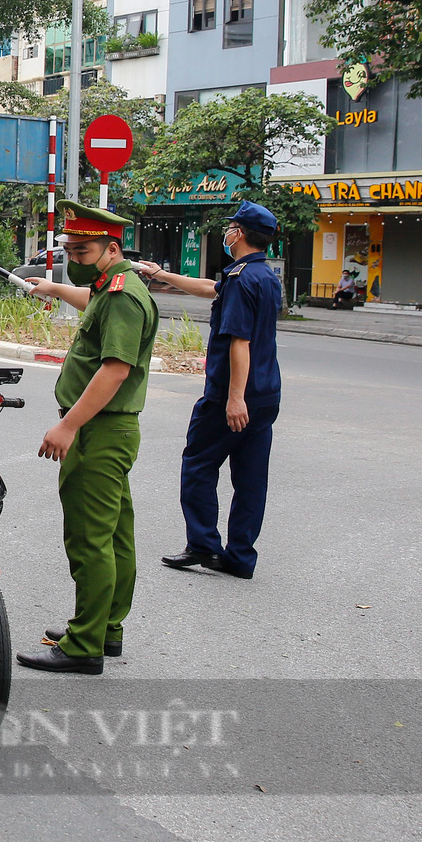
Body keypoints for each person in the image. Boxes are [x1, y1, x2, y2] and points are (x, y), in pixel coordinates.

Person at [15, 201, 158, 675]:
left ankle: (83, 646)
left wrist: (69, 424)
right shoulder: (114, 286)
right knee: (115, 534)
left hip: (98, 430)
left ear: (111, 247)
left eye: (82, 249)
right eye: (70, 249)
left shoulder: (121, 296)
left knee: (89, 538)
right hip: (111, 429)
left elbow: (115, 370)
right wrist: (55, 288)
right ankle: (104, 627)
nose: (74, 257)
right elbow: (91, 303)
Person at [136, 202, 282, 579]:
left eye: (231, 227)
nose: (227, 233)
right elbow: (209, 288)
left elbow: (239, 342)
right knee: (251, 479)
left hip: (229, 398)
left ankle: (203, 545)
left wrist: (234, 398)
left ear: (241, 233)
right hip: (266, 395)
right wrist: (161, 274)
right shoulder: (262, 276)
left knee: (198, 466)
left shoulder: (240, 280)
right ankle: (240, 558)